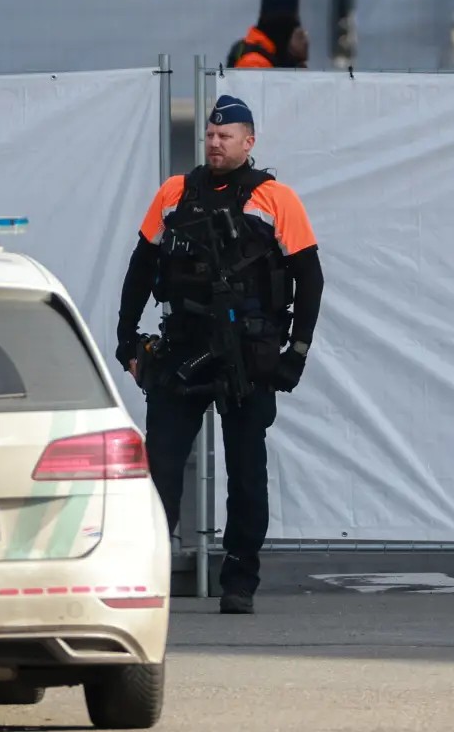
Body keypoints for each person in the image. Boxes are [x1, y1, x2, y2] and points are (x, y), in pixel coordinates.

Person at [113, 95, 324, 615]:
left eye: (225, 136)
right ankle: (150, 574)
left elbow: (310, 279)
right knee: (159, 462)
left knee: (246, 470)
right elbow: (142, 266)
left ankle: (239, 580)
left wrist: (295, 352)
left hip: (247, 358)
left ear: (248, 142)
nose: (214, 142)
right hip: (182, 347)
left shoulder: (277, 199)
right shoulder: (174, 193)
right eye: (210, 134)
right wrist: (125, 339)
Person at [227, 0, 310, 69]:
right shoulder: (254, 63)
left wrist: (295, 61)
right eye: (295, 26)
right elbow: (282, 81)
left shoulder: (267, 54)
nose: (302, 34)